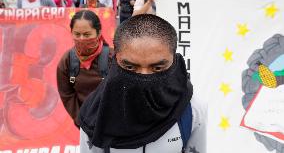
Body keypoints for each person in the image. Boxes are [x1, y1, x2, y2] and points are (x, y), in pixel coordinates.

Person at [79, 14, 207, 153]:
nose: (144, 76)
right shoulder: (96, 114)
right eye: (130, 67)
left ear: (174, 61)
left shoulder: (192, 111)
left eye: (157, 68)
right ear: (116, 60)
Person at [57, 10, 111, 128]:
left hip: (112, 123)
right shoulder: (67, 61)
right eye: (77, 34)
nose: (81, 39)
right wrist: (81, 121)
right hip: (85, 125)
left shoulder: (113, 58)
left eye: (87, 35)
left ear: (98, 33)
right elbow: (67, 95)